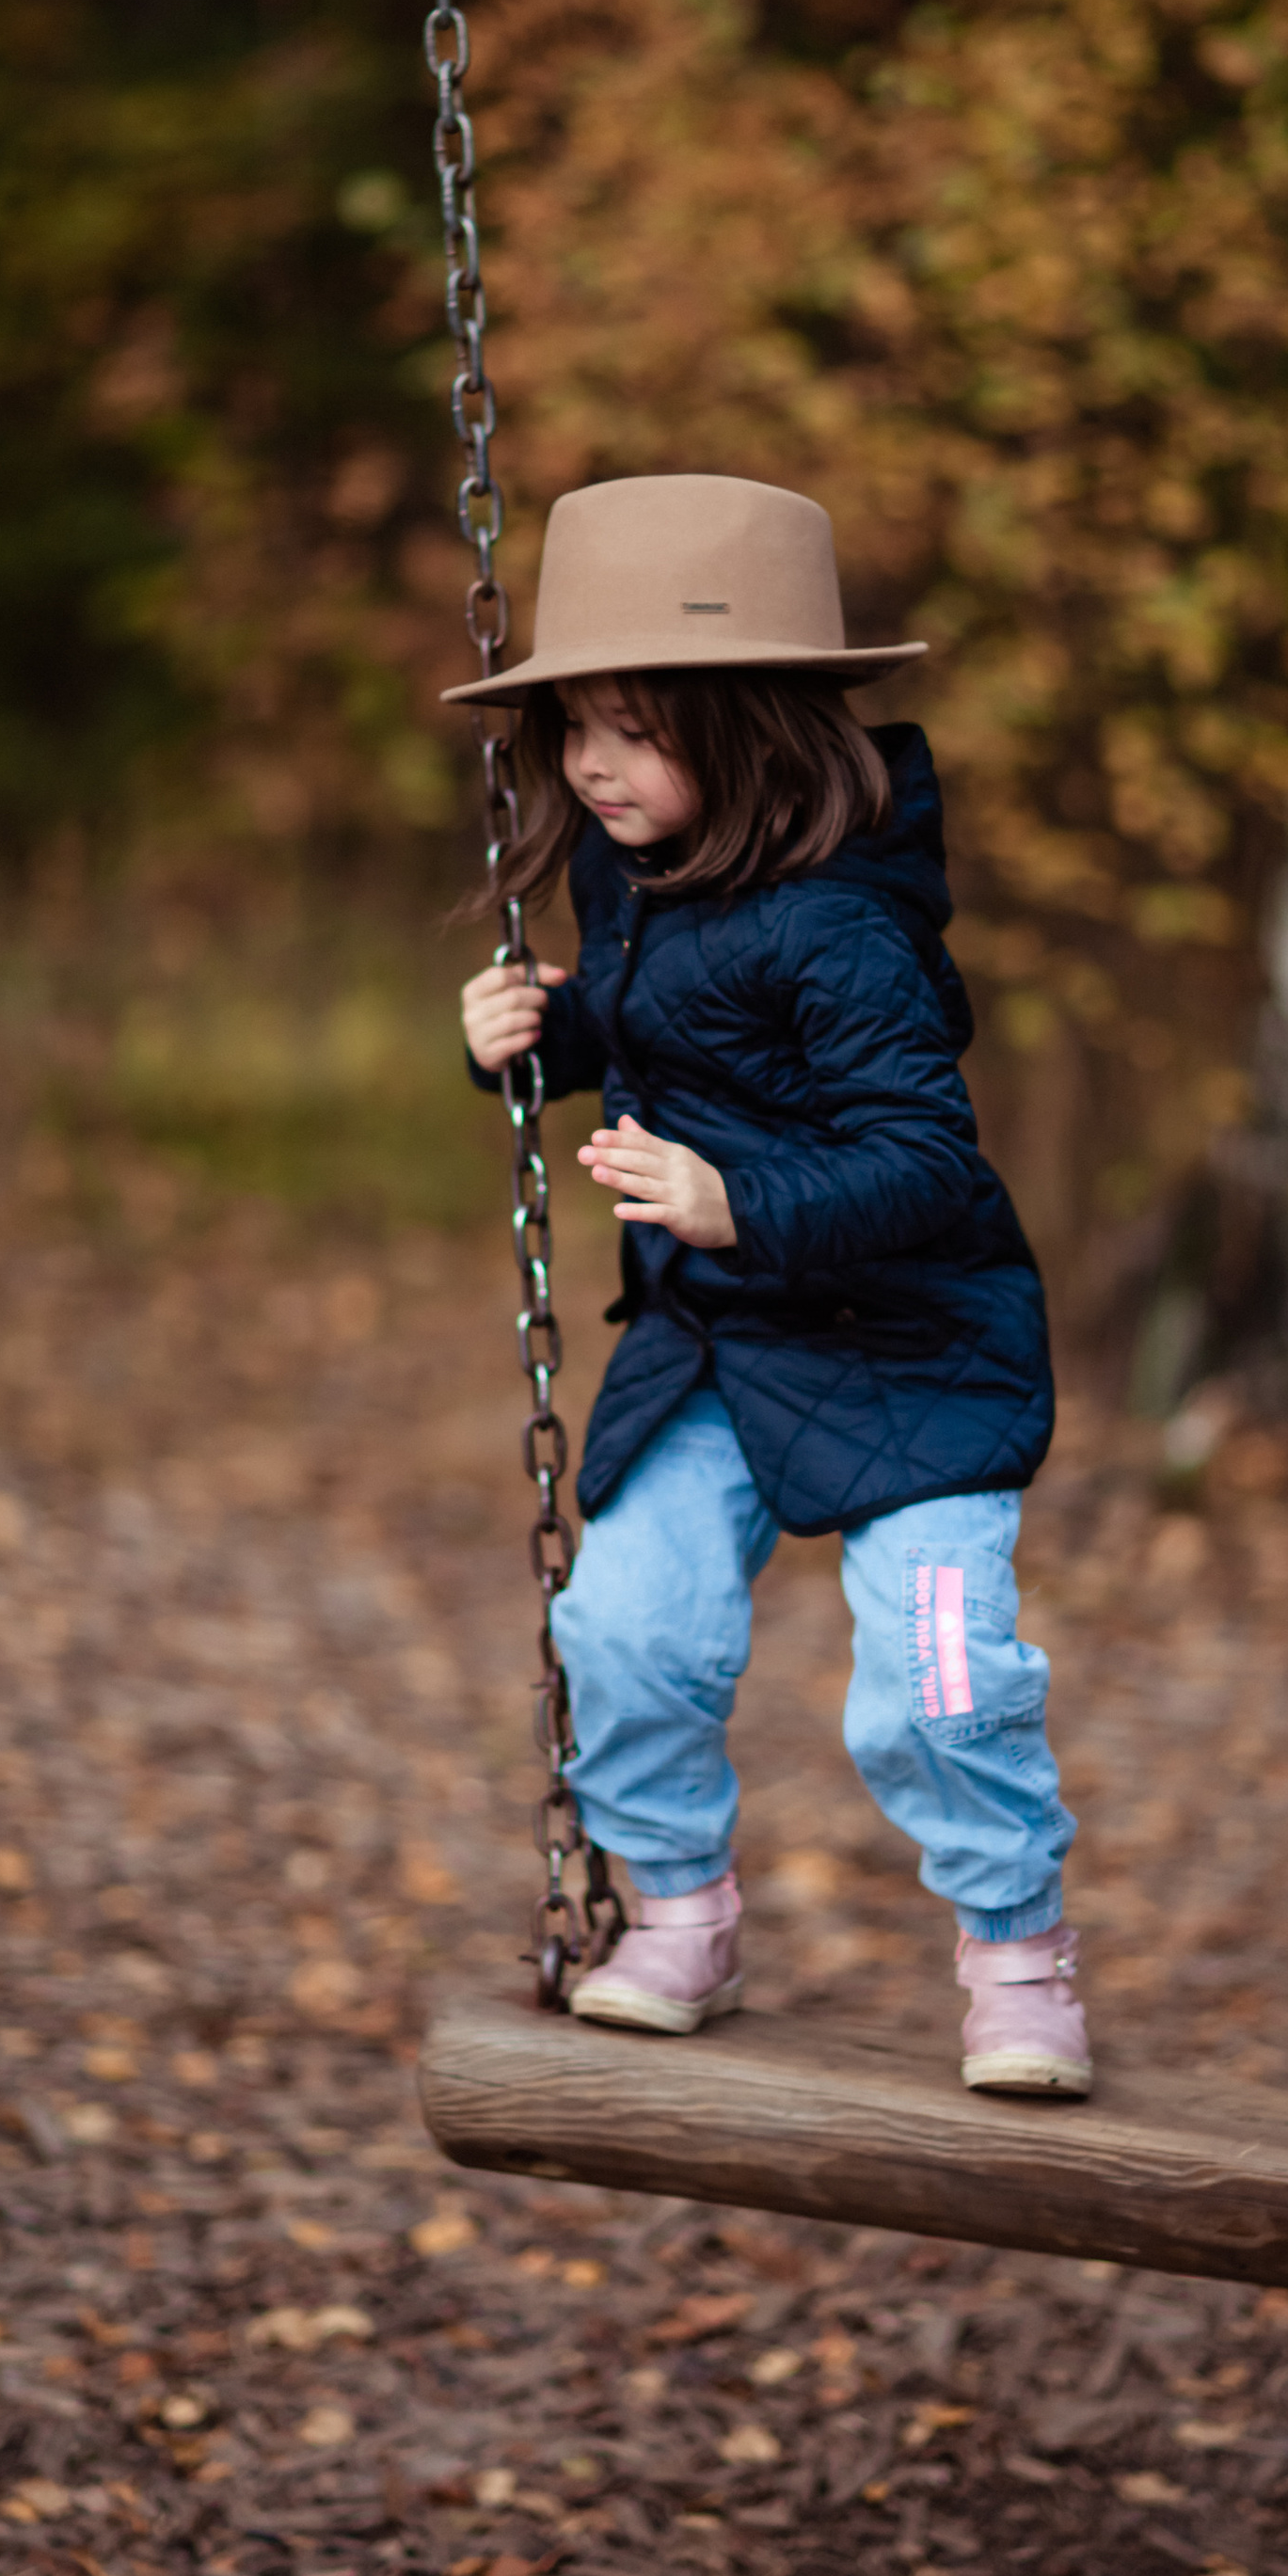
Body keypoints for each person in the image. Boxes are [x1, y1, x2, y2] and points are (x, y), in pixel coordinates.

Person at [448, 473, 1089, 2099]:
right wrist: (543, 1035)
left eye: (635, 730)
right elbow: (658, 1035)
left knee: (936, 1690)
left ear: (758, 737)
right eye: (576, 726)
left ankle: (1019, 1957)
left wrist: (737, 1201)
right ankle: (680, 1914)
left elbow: (926, 1162)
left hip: (912, 1349)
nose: (590, 765)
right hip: (723, 1340)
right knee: (625, 1631)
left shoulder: (847, 933)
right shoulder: (632, 874)